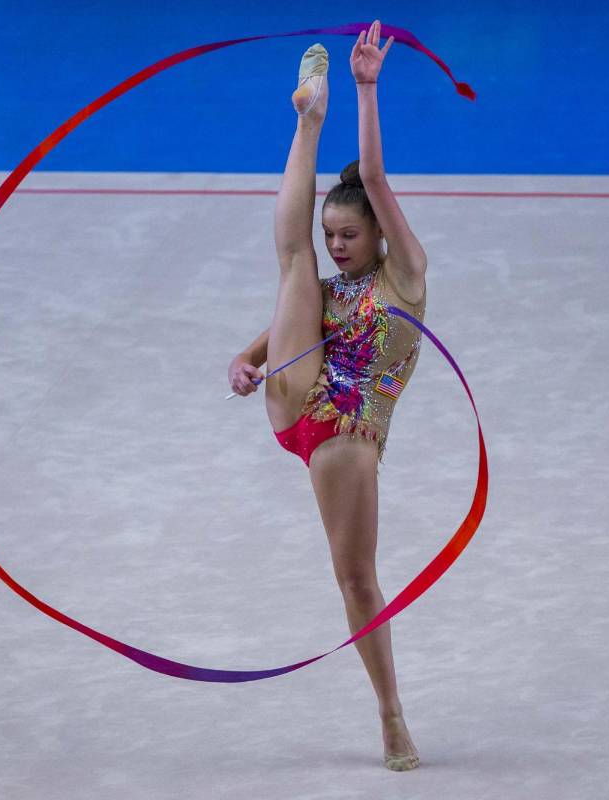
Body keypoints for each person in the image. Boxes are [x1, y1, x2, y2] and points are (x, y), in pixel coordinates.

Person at [227, 20, 426, 772]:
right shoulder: (332, 289)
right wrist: (245, 361)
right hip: (295, 406)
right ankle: (307, 118)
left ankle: (391, 715)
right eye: (331, 232)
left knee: (354, 578)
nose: (338, 245)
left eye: (348, 235)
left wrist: (368, 90)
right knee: (291, 267)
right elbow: (290, 311)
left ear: (378, 237)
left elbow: (375, 180)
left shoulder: (404, 275)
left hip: (347, 439)